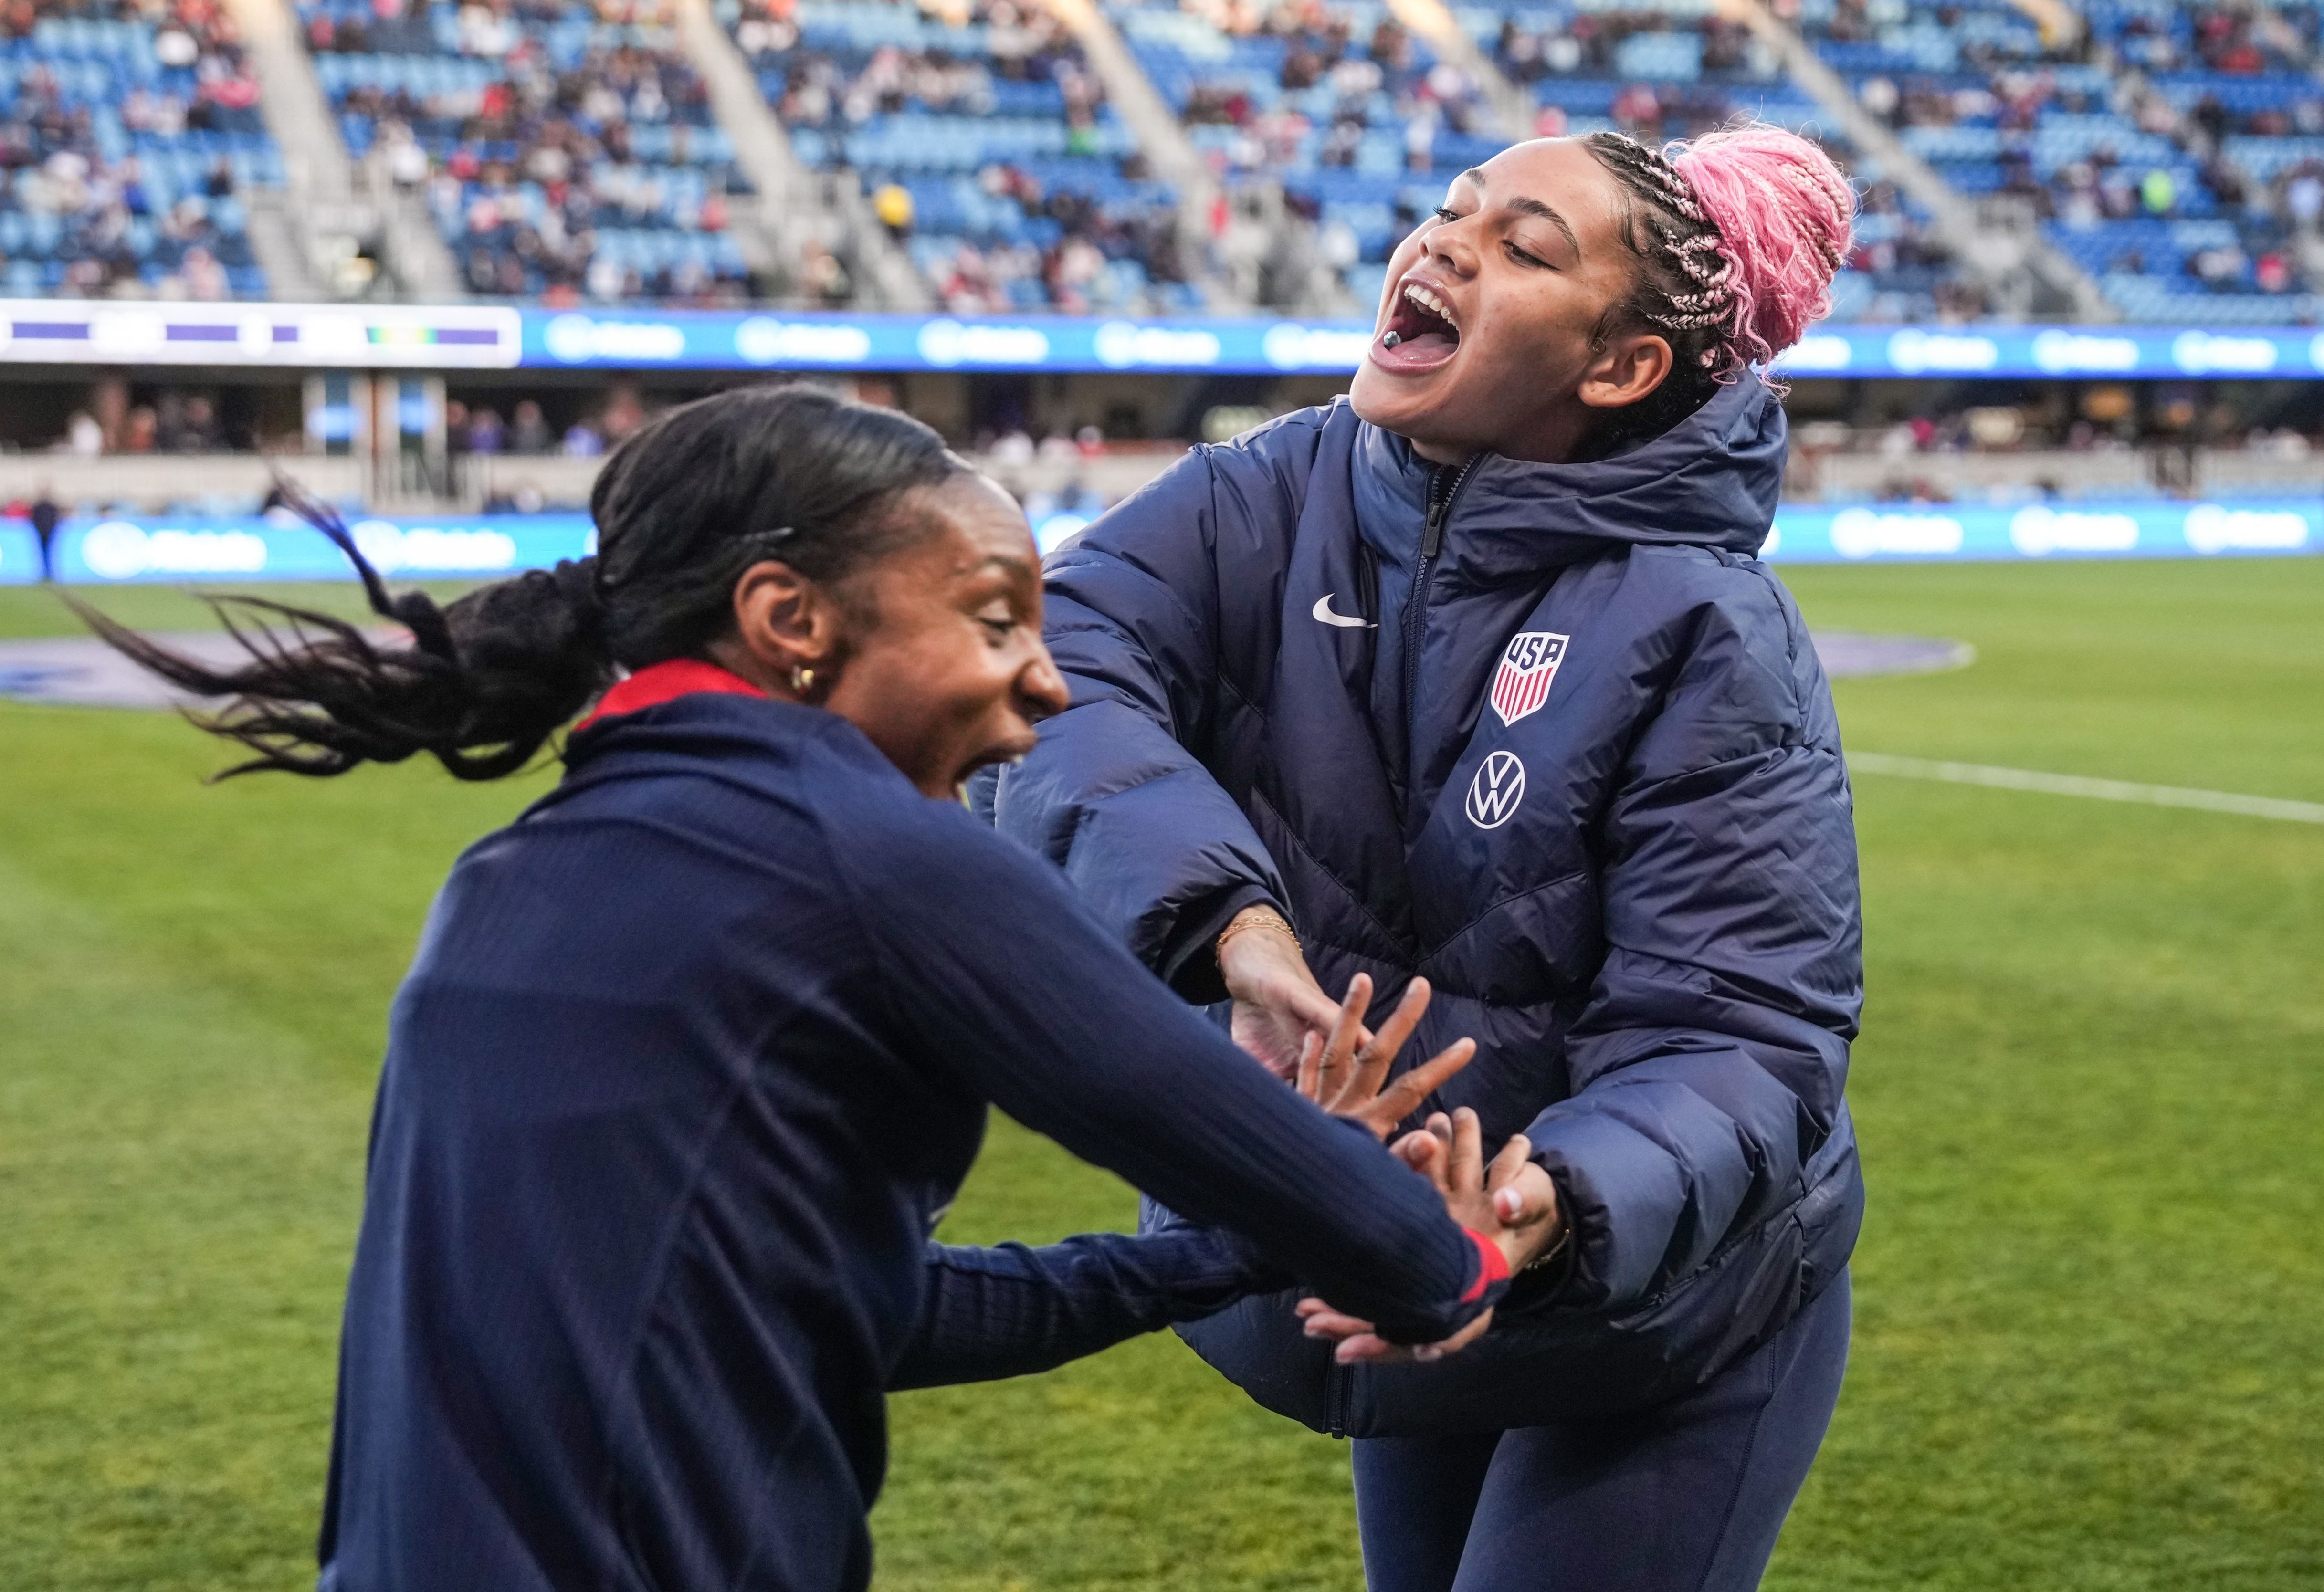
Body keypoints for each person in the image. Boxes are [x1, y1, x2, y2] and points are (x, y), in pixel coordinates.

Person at [81, 386, 1556, 1592]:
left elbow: (849, 1312)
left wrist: (1233, 1247)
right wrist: (1442, 1247)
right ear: (789, 620)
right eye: (994, 621)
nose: (1045, 686)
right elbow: (1404, 1257)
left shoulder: (511, 876)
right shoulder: (873, 859)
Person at [984, 124, 1865, 1592]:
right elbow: (1047, 664)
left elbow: (1740, 1037)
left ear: (1620, 370)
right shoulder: (1263, 493)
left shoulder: (1710, 634)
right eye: (1450, 211)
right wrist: (1229, 929)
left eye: (1524, 246)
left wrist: (1532, 1214)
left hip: (1650, 1298)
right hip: (1393, 1243)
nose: (1445, 243)